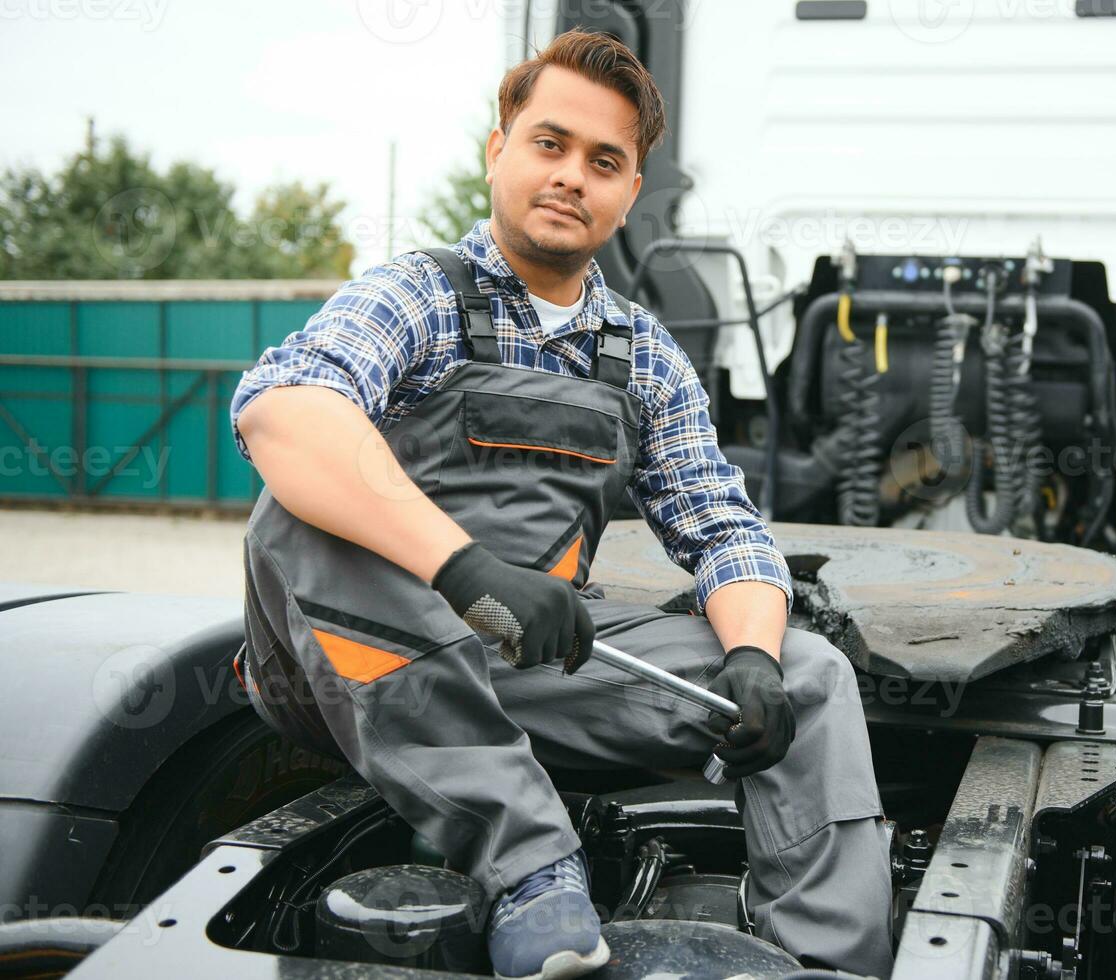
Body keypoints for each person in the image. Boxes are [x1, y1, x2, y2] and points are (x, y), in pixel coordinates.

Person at [229, 29, 893, 980]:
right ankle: (533, 870)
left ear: (629, 193)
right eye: (549, 143)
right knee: (299, 513)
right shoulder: (414, 295)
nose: (572, 175)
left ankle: (828, 961)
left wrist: (748, 655)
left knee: (810, 671)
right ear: (497, 149)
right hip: (342, 667)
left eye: (605, 161)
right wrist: (463, 569)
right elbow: (282, 412)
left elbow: (722, 528)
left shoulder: (643, 354)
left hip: (520, 665)